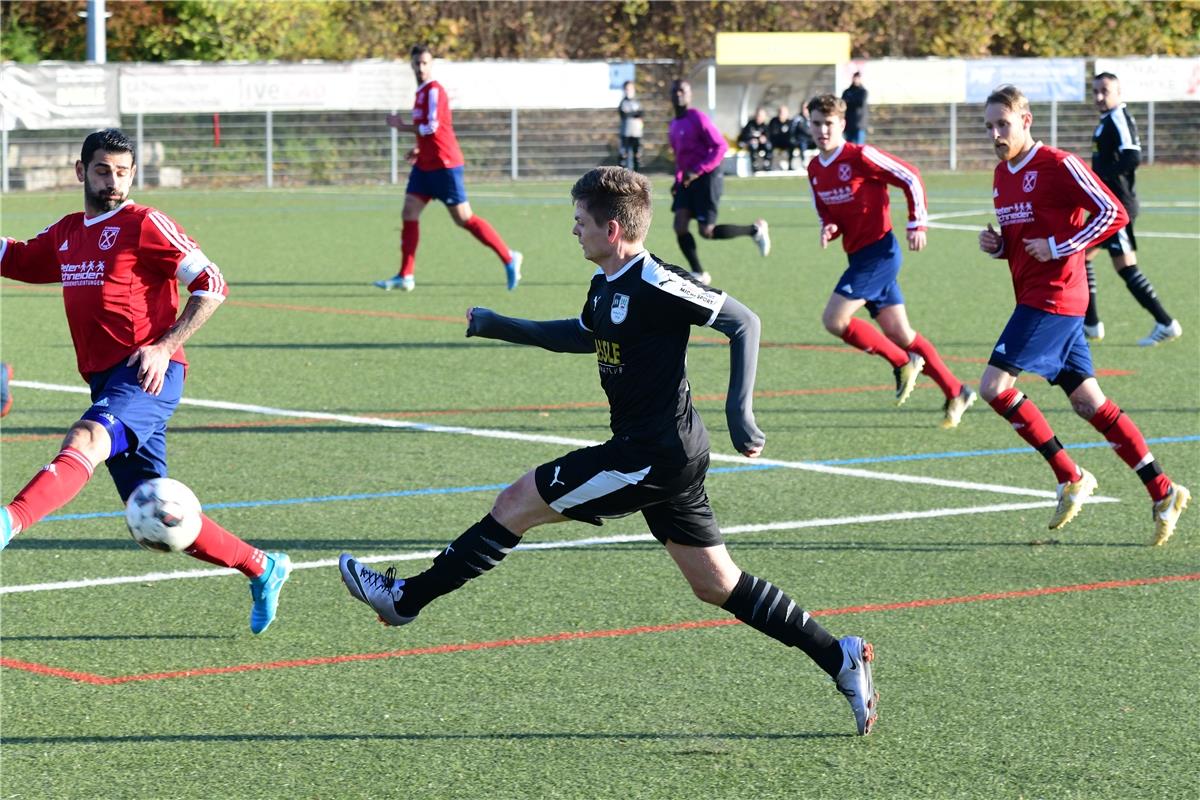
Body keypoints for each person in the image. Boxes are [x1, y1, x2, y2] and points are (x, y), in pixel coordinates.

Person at [338, 166, 880, 736]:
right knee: (716, 584)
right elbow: (585, 332)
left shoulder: (658, 283)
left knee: (518, 501)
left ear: (614, 229)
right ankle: (836, 655)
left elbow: (745, 321)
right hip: (660, 455)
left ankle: (406, 598)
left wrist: (739, 412)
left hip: (651, 455)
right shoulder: (606, 284)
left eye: (580, 222)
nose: (574, 231)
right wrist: (502, 325)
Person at [0, 129, 292, 631]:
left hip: (147, 375)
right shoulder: (69, 232)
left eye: (122, 171)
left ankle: (9, 521)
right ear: (80, 171)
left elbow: (211, 284)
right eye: (102, 170)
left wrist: (165, 345)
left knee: (85, 439)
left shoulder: (146, 223)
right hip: (104, 381)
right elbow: (18, 259)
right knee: (156, 510)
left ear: (132, 174)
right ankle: (263, 566)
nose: (113, 181)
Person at [977, 84, 1189, 545]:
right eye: (989, 125)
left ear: (1026, 120)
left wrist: (1058, 246)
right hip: (1034, 295)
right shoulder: (1001, 175)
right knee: (1089, 403)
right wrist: (999, 247)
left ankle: (1070, 474)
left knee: (993, 387)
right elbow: (1021, 239)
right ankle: (1163, 489)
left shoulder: (1058, 163)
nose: (995, 133)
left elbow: (1113, 213)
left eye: (1003, 123)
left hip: (1055, 298)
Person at [805, 94, 975, 428]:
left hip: (880, 253)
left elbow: (910, 177)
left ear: (842, 124)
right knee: (901, 332)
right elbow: (825, 209)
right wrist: (829, 226)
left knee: (834, 319)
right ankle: (957, 390)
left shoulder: (860, 156)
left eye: (829, 123)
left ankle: (902, 363)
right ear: (808, 124)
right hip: (859, 257)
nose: (822, 130)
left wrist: (917, 222)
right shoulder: (813, 169)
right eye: (816, 123)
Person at [374, 43, 523, 293]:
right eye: (417, 63)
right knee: (409, 211)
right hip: (425, 166)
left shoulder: (434, 91)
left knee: (464, 219)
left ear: (431, 65)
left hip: (445, 165)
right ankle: (405, 275)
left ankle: (509, 257)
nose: (420, 67)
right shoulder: (421, 92)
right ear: (411, 65)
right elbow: (430, 131)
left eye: (424, 63)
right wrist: (420, 148)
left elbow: (433, 126)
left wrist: (401, 127)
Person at [1083, 72, 1182, 347]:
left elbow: (1133, 155)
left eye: (1105, 90)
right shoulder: (1107, 121)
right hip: (1107, 205)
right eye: (1095, 91)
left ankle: (1165, 322)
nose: (1100, 97)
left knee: (1125, 267)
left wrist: (1101, 181)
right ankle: (1090, 324)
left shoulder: (1118, 118)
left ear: (1118, 92)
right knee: (1082, 255)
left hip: (1117, 208)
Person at [669, 79, 771, 285]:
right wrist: (678, 180)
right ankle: (698, 272)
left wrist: (698, 171)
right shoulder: (673, 124)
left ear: (690, 96)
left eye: (683, 91)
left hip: (707, 177)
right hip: (688, 178)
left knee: (707, 232)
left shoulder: (697, 118)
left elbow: (720, 147)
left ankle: (755, 230)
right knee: (680, 225)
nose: (679, 94)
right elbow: (681, 158)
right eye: (675, 91)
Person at [617, 80, 644, 172]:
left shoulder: (637, 102)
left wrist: (632, 114)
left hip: (636, 132)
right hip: (625, 132)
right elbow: (624, 114)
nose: (628, 91)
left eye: (630, 89)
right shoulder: (623, 103)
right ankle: (622, 176)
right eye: (626, 89)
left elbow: (641, 113)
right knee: (623, 155)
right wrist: (634, 114)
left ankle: (636, 175)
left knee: (637, 155)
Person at [737, 107, 772, 172]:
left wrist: (764, 138)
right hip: (750, 144)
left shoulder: (765, 125)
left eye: (761, 116)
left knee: (768, 145)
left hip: (761, 145)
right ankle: (754, 165)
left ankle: (767, 164)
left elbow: (768, 136)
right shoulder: (750, 124)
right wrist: (751, 139)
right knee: (753, 145)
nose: (759, 117)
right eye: (758, 115)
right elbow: (745, 135)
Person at [767, 105, 801, 170]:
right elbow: (771, 133)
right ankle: (768, 165)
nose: (781, 114)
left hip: (786, 143)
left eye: (783, 113)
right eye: (780, 112)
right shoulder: (774, 121)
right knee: (768, 146)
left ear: (787, 114)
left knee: (792, 144)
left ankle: (790, 165)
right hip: (775, 142)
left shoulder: (790, 122)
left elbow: (793, 134)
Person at [841, 73, 868, 145]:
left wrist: (849, 101)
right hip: (848, 125)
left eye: (858, 78)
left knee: (858, 147)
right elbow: (843, 104)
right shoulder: (847, 92)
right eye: (855, 78)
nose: (856, 80)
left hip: (859, 125)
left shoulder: (863, 92)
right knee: (849, 147)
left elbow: (860, 103)